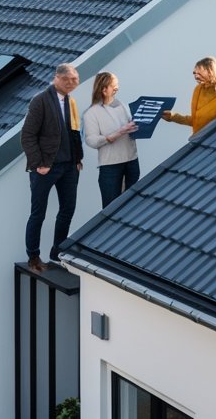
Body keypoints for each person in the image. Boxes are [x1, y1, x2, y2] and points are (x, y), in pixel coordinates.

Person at [20, 63, 83, 272]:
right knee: (38, 213)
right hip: (46, 168)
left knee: (68, 209)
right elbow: (27, 136)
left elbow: (73, 132)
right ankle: (33, 257)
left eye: (75, 80)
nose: (73, 84)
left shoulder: (71, 102)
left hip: (69, 166)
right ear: (57, 78)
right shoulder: (40, 101)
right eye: (68, 80)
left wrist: (77, 158)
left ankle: (57, 254)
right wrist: (39, 164)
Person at [83, 72, 140, 207]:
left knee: (132, 205)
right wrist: (116, 134)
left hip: (131, 161)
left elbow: (130, 130)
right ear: (104, 89)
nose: (117, 88)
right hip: (111, 166)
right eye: (114, 85)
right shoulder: (92, 113)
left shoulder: (123, 105)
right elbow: (91, 140)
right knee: (111, 208)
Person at [161, 56, 216, 135]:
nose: (196, 77)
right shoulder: (198, 89)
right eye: (195, 73)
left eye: (200, 73)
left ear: (211, 71)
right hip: (198, 138)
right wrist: (173, 117)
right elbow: (196, 121)